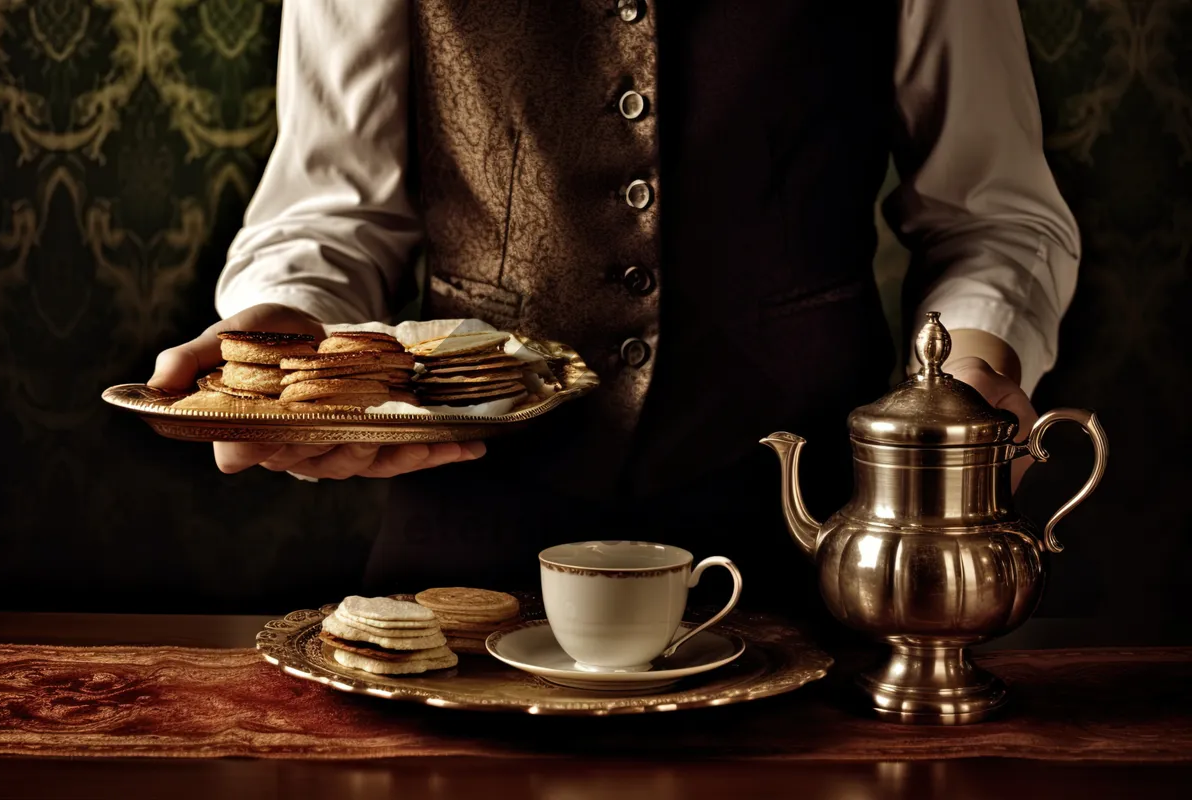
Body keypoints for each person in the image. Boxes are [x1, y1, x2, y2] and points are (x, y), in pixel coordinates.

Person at [150, 1, 1078, 609]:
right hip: (468, 536)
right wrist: (279, 344)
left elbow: (993, 211)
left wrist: (971, 379)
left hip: (813, 542)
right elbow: (335, 209)